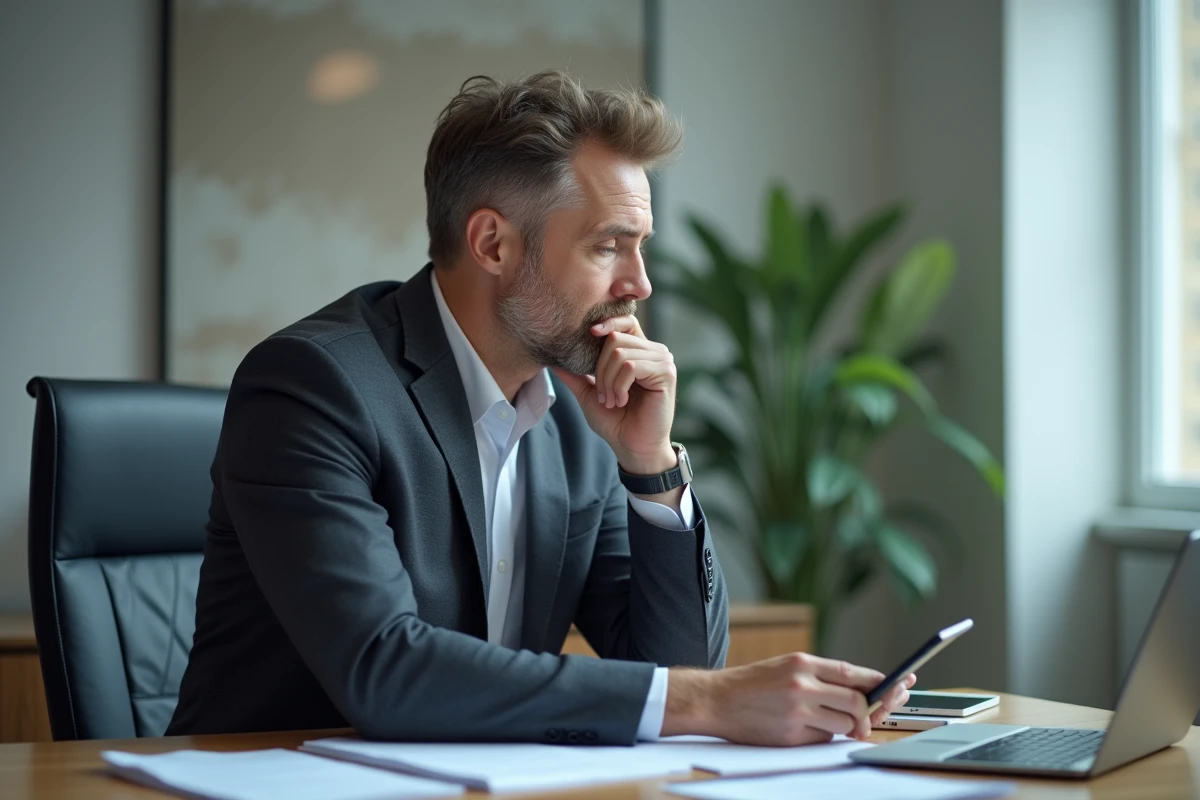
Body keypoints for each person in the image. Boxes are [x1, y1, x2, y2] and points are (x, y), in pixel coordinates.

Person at [167, 70, 914, 746]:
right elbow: (384, 671)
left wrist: (649, 465)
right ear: (493, 243)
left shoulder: (576, 413)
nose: (640, 284)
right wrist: (710, 701)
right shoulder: (314, 386)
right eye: (608, 247)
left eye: (641, 246)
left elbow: (676, 664)